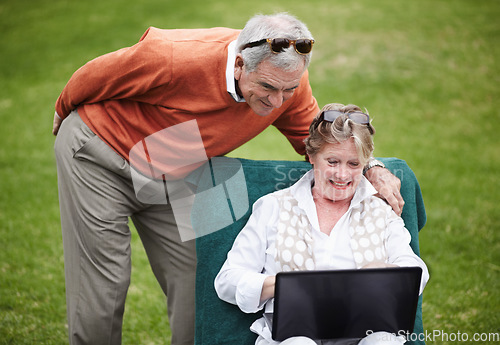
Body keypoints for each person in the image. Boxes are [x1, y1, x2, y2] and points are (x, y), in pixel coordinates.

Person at [53, 12, 402, 345]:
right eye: (267, 86)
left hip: (180, 167)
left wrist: (373, 167)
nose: (276, 100)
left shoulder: (287, 86)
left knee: (200, 283)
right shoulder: (174, 56)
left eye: (287, 90)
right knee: (103, 287)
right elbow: (93, 76)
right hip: (101, 157)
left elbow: (316, 140)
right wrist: (62, 111)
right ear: (239, 64)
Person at [214, 103, 429, 345]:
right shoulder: (274, 206)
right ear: (312, 156)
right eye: (333, 161)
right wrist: (281, 285)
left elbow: (416, 271)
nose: (342, 175)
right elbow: (227, 280)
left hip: (366, 330)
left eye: (354, 164)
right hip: (295, 335)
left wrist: (385, 272)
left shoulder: (379, 210)